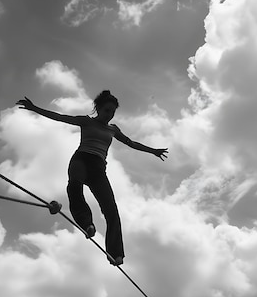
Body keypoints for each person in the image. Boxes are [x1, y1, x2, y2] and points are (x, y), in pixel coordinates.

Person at [16, 90, 168, 266]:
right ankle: (87, 224)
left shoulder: (113, 129)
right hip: (81, 160)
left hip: (98, 168)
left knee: (111, 210)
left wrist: (153, 151)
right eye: (106, 111)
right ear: (98, 108)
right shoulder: (86, 121)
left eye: (112, 112)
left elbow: (131, 143)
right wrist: (34, 108)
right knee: (74, 187)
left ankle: (115, 253)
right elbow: (59, 117)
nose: (109, 115)